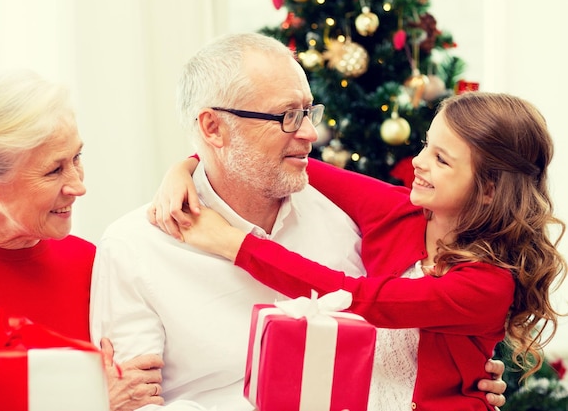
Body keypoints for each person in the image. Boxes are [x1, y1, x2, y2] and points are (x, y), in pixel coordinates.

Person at [91, 32, 507, 410]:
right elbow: (137, 405)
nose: (310, 133)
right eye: (288, 115)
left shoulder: (347, 213)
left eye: (310, 111)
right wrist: (184, 166)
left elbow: (371, 305)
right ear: (213, 127)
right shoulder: (134, 247)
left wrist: (464, 378)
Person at [151, 91, 567, 410]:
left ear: (491, 189)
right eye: (425, 144)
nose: (418, 161)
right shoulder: (393, 209)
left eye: (441, 159)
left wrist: (233, 243)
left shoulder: (488, 284)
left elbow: (361, 299)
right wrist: (183, 167)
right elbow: (277, 160)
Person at [0, 69, 164, 411]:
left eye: (77, 158)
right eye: (53, 170)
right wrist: (93, 402)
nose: (78, 186)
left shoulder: (91, 260)